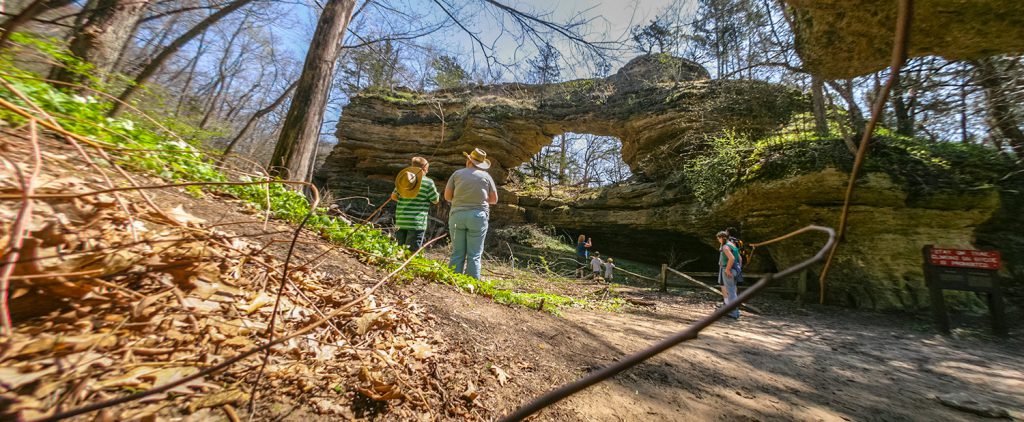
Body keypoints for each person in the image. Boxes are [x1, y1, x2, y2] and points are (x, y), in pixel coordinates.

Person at [445, 148, 498, 280]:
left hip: (457, 215)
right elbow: (494, 200)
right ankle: (471, 283)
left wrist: (460, 200)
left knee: (457, 252)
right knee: (474, 254)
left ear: (469, 160)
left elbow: (447, 196)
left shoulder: (457, 174)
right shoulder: (487, 177)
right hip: (478, 217)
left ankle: (453, 280)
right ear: (481, 164)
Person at [391, 157, 439, 251]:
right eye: (427, 170)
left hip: (401, 221)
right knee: (412, 252)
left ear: (412, 167)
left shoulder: (405, 180)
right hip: (417, 223)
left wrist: (405, 200)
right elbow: (435, 200)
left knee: (398, 250)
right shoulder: (428, 182)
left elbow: (393, 196)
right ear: (425, 169)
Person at [717, 231, 741, 319]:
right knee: (733, 291)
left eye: (718, 238)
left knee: (730, 292)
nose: (718, 240)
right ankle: (736, 311)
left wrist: (727, 269)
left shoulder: (725, 247)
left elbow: (732, 258)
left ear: (722, 237)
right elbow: (739, 258)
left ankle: (734, 313)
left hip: (728, 270)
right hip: (735, 270)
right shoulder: (732, 245)